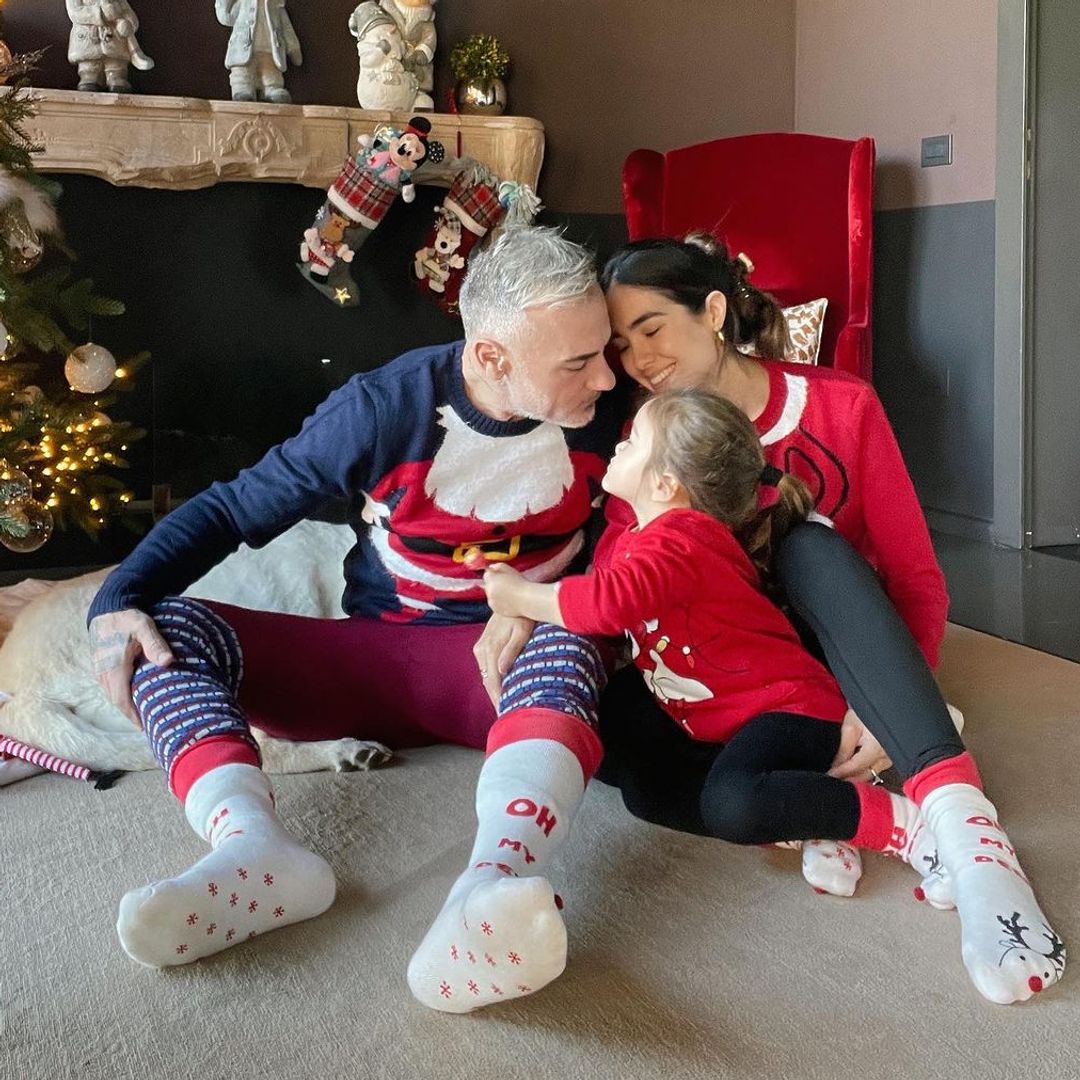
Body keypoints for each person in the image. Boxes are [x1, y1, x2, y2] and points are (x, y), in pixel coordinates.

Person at [87, 227, 626, 1015]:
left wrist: (546, 603)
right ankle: (252, 848)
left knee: (581, 630)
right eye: (578, 362)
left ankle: (489, 886)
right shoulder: (383, 407)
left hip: (513, 675)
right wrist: (119, 594)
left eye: (604, 349)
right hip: (371, 658)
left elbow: (647, 540)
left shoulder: (613, 413)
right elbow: (237, 506)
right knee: (164, 630)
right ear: (491, 357)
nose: (608, 376)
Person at [576, 234, 1063, 1005]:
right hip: (727, 684)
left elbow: (914, 578)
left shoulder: (839, 405)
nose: (637, 359)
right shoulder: (648, 438)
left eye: (650, 328)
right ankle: (815, 805)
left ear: (711, 311)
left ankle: (967, 831)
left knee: (806, 543)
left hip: (834, 659)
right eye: (618, 343)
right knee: (619, 753)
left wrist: (893, 702)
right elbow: (616, 578)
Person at [484, 388, 949, 896]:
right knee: (639, 782)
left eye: (634, 440)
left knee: (731, 804)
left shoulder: (680, 538)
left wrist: (517, 595)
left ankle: (901, 824)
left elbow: (605, 605)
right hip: (714, 718)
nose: (620, 446)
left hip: (792, 712)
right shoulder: (647, 537)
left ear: (664, 484)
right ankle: (803, 813)